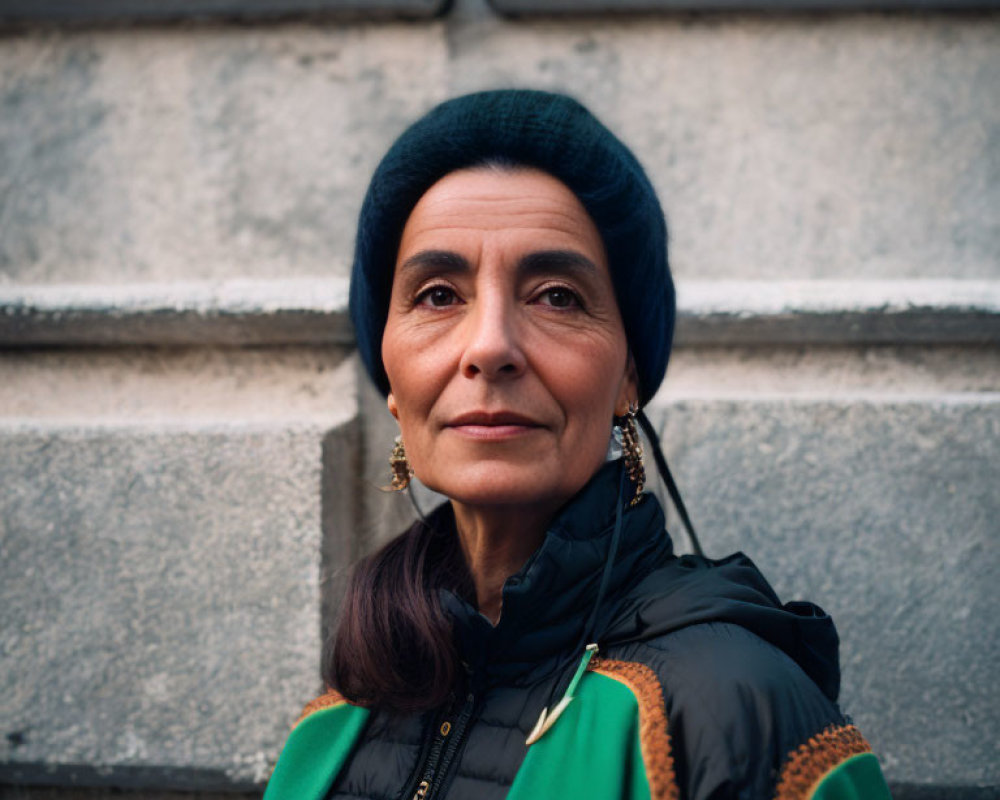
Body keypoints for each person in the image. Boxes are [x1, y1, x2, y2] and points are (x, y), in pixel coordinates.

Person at [264, 90, 891, 800]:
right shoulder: (340, 719)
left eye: (556, 295)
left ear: (629, 374)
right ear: (392, 382)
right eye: (438, 295)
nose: (491, 346)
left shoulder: (738, 714)